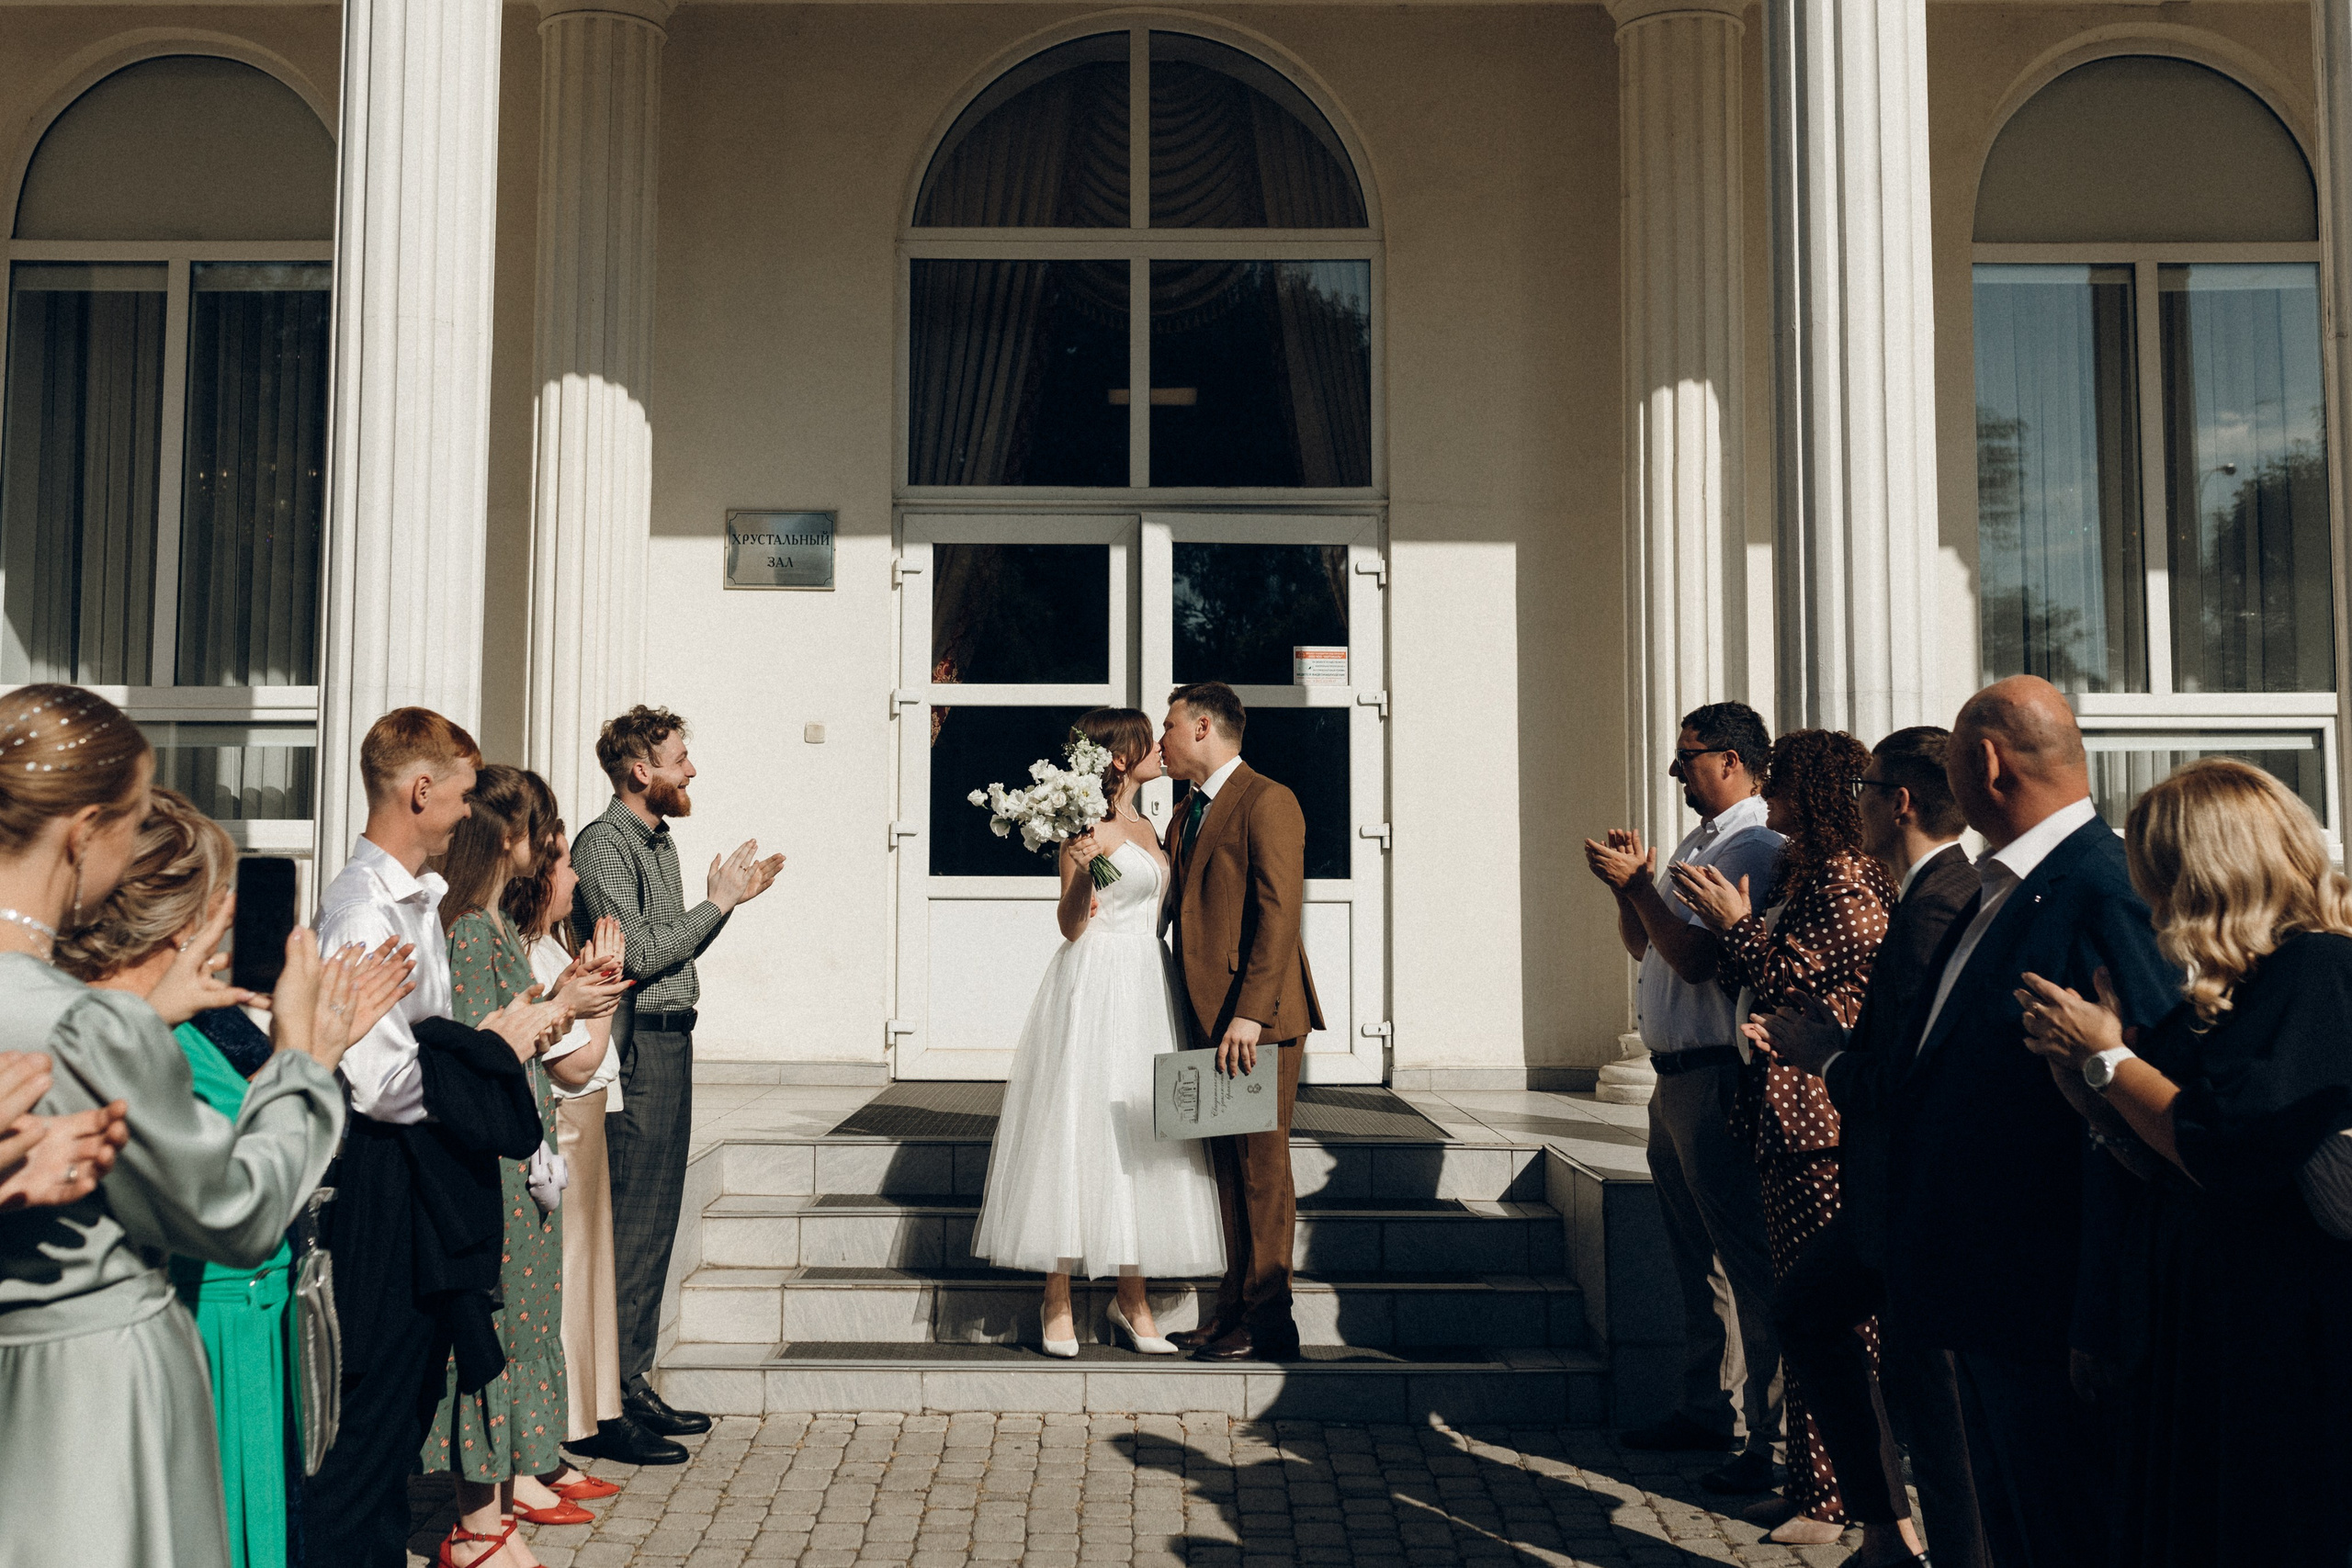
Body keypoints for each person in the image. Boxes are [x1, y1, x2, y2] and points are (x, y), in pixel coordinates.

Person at [0, 683, 379, 1568]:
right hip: (92, 1381)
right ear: (85, 829)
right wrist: (302, 1064)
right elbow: (234, 1210)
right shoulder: (89, 1025)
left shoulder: (80, 1017)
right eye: (133, 823)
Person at [2016, 758, 2352, 1568]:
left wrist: (2110, 1061)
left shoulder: (2319, 969)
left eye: (2156, 873)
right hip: (2205, 1324)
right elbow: (2166, 1158)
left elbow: (2227, 1151)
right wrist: (2087, 1079)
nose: (2150, 899)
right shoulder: (2242, 983)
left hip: (2277, 1343)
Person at [1874, 676, 2176, 1568]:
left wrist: (2097, 1313)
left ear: (1987, 763)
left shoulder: (2100, 886)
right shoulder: (2003, 885)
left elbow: (2148, 1104)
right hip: (1982, 1294)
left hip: (2046, 1308)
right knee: (2009, 1532)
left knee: (2062, 1536)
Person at [304, 711, 573, 1568]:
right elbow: (384, 1082)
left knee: (410, 1395)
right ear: (420, 791)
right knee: (376, 1416)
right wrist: (494, 1054)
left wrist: (479, 1046)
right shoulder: (361, 910)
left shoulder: (411, 899)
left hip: (429, 1173)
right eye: (460, 795)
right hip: (389, 1177)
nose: (469, 815)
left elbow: (426, 1048)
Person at [1749, 726, 1990, 1568]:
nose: (1855, 805)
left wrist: (1828, 1057)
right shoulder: (1926, 891)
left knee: (1940, 1409)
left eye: (1866, 789)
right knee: (1809, 1312)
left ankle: (1923, 1544)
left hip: (1917, 1199)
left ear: (1900, 802)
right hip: (1888, 1196)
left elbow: (1908, 1079)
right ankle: (1887, 1528)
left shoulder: (1932, 904)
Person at [1674, 728, 1902, 1551]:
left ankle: (1842, 1494)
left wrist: (1736, 923)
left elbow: (1789, 975)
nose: (1768, 801)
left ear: (1810, 791)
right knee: (1799, 1307)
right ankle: (1813, 1480)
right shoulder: (1810, 873)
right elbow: (1760, 974)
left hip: (1819, 1118)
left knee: (1829, 1319)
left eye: (1782, 788)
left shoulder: (1845, 880)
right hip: (1781, 1111)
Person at [424, 765, 629, 1567]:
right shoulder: (472, 927)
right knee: (503, 1323)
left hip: (524, 1145)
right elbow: (488, 1044)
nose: (553, 847)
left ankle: (503, 1503)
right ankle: (480, 1517)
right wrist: (567, 1007)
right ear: (508, 837)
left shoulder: (495, 930)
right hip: (500, 1160)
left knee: (529, 1319)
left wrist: (566, 997)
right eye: (544, 830)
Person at [971, 708, 1225, 1355]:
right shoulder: (1085, 826)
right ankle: (1056, 1294)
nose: (1161, 748)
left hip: (1148, 982)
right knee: (1077, 1128)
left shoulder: (1152, 824)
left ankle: (1132, 1297)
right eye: (1149, 740)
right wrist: (1082, 868)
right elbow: (1070, 923)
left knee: (1141, 1136)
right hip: (1095, 982)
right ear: (1119, 756)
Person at [1583, 701, 1785, 1492]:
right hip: (1670, 1078)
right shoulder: (1705, 839)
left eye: (1687, 756)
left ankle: (1765, 1436)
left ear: (1731, 761)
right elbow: (1647, 943)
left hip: (1712, 1071)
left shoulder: (1757, 844)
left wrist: (1644, 886)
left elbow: (1701, 960)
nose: (1676, 771)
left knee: (1745, 1262)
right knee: (1691, 1262)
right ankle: (1705, 1408)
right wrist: (1628, 890)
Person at [568, 705, 782, 1440]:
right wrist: (716, 903)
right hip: (638, 1048)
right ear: (641, 771)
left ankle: (634, 1379)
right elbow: (636, 955)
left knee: (657, 1221)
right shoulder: (602, 845)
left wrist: (727, 904)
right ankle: (610, 1399)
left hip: (673, 1041)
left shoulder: (658, 841)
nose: (691, 770)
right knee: (630, 1222)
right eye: (680, 758)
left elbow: (670, 946)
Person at [506, 798, 677, 1469]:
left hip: (588, 1123)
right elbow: (575, 1062)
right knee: (570, 1276)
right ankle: (573, 1421)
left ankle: (595, 1407)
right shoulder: (529, 951)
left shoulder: (553, 943)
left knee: (590, 1273)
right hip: (568, 1125)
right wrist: (605, 986)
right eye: (567, 866)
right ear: (539, 878)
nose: (576, 878)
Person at [1156, 682, 1323, 1364]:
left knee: (1261, 1166)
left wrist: (1250, 1013)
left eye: (1167, 726)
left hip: (1258, 1019)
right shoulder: (1185, 812)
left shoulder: (1268, 799)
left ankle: (1271, 1316)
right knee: (1227, 1169)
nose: (1161, 739)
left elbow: (1279, 912)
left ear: (1202, 727)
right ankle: (1232, 1308)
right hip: (1204, 1014)